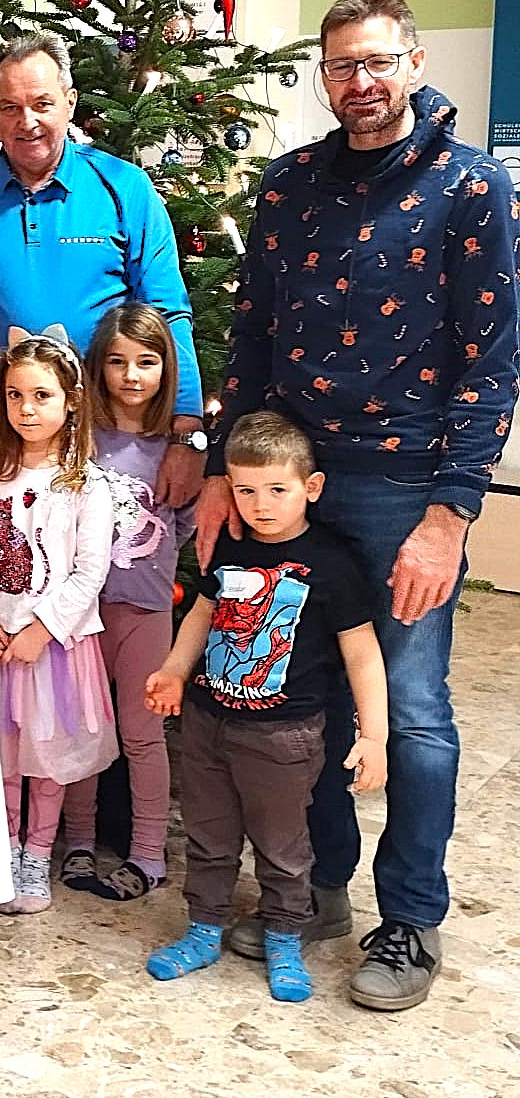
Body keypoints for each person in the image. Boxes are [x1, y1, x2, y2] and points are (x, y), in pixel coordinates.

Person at [194, 0, 520, 1010]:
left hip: (405, 486)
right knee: (311, 698)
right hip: (293, 481)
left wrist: (450, 515)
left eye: (379, 61)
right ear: (324, 77)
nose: (362, 81)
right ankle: (317, 890)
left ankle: (411, 917)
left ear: (415, 63)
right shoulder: (290, 184)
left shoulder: (472, 187)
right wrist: (224, 472)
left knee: (411, 712)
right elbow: (252, 335)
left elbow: (492, 361)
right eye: (342, 65)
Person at [147, 412, 389, 1003]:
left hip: (284, 736)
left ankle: (285, 937)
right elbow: (202, 614)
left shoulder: (331, 564)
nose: (260, 505)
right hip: (208, 724)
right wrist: (175, 670)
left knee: (283, 846)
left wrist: (375, 735)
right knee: (208, 835)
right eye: (246, 490)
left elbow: (362, 652)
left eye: (277, 489)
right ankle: (203, 929)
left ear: (312, 487)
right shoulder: (232, 545)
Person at [0, 32, 206, 507]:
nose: (27, 122)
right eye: (10, 107)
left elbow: (166, 312)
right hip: (8, 435)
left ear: (70, 103)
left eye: (42, 104)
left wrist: (186, 432)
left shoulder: (125, 187)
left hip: (113, 433)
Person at [0, 331, 116, 916]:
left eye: (42, 395)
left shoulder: (86, 484)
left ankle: (36, 854)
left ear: (70, 401)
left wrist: (41, 630)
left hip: (53, 650)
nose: (27, 409)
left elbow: (90, 570)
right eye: (15, 396)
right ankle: (1, 850)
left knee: (48, 760)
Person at [62, 304, 195, 901]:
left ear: (166, 369)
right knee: (84, 729)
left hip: (144, 610)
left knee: (142, 735)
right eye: (117, 362)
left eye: (146, 362)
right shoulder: (79, 443)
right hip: (80, 612)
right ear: (99, 367)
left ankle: (147, 853)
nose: (132, 375)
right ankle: (79, 841)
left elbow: (183, 525)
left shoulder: (179, 453)